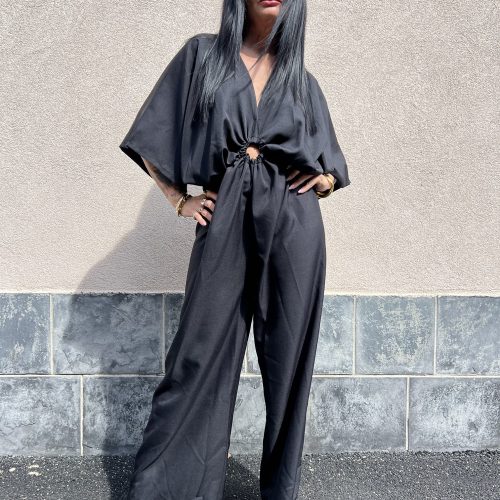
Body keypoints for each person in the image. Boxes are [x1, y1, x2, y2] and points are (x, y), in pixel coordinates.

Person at [119, 1, 350, 498]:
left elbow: (331, 165)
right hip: (224, 218)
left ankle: (279, 491)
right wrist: (179, 200)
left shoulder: (301, 82)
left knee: (289, 361)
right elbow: (152, 133)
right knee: (198, 354)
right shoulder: (203, 56)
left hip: (293, 223)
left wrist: (324, 181)